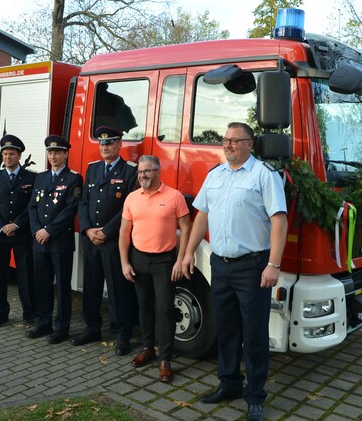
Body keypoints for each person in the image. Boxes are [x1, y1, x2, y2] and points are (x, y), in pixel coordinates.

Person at [181, 122, 288, 421]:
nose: (227, 145)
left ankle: (255, 397)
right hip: (221, 265)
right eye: (225, 140)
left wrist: (273, 265)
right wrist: (189, 252)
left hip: (253, 268)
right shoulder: (215, 176)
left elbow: (279, 221)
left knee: (253, 335)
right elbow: (202, 215)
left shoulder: (264, 176)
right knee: (226, 330)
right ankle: (228, 384)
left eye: (234, 141)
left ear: (250, 144)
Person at [119, 155, 191, 383]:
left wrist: (180, 260)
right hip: (138, 259)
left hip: (164, 262)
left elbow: (187, 229)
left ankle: (165, 359)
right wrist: (124, 262)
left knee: (165, 310)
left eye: (147, 171)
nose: (143, 176)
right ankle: (148, 348)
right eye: (140, 172)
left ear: (158, 172)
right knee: (143, 306)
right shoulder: (132, 198)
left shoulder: (174, 196)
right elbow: (123, 233)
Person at [72, 126, 138, 355]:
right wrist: (88, 229)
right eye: (102, 144)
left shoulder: (130, 171)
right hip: (92, 240)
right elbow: (83, 203)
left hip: (113, 240)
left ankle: (122, 335)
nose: (105, 147)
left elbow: (129, 208)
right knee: (90, 286)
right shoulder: (92, 169)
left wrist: (106, 231)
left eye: (110, 143)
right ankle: (92, 328)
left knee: (118, 290)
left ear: (120, 144)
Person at [27, 135, 82, 344]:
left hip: (60, 242)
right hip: (39, 241)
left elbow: (70, 210)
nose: (53, 156)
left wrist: (48, 230)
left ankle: (61, 328)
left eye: (58, 152)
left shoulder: (73, 179)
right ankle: (43, 323)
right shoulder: (40, 178)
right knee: (41, 284)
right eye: (50, 152)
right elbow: (32, 207)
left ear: (66, 154)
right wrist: (36, 231)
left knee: (62, 287)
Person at [0, 134, 36, 328]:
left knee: (26, 275)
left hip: (22, 234)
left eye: (11, 154)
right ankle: (0, 313)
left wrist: (16, 225)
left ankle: (29, 313)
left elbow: (32, 206)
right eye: (5, 154)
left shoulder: (31, 177)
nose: (7, 157)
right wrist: (2, 227)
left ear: (19, 156)